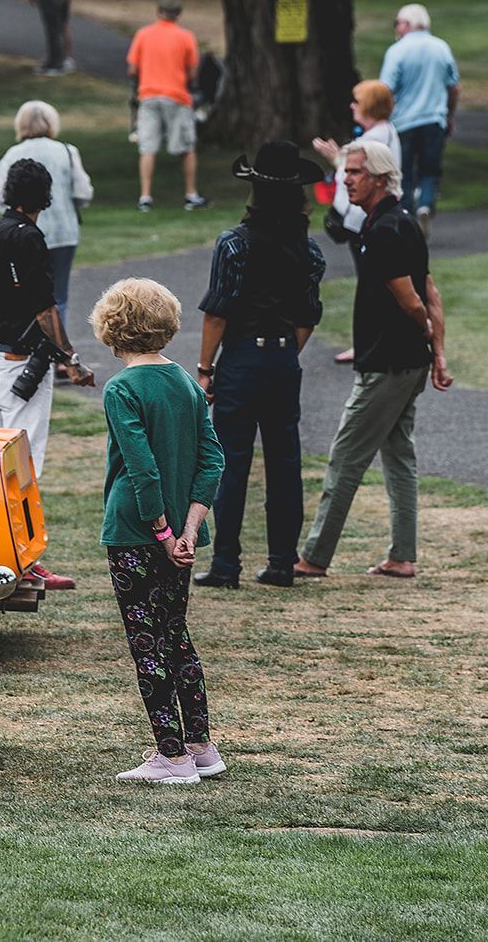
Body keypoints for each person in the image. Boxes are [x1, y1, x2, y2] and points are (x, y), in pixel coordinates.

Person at [294, 140, 453, 582]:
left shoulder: (384, 230)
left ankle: (314, 557)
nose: (346, 179)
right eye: (345, 172)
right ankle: (402, 556)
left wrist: (424, 329)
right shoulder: (400, 224)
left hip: (386, 364)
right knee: (400, 456)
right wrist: (436, 353)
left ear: (381, 179)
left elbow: (414, 298)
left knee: (345, 457)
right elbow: (431, 290)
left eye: (355, 173)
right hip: (408, 362)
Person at [90, 277, 225, 784]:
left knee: (147, 641)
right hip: (182, 534)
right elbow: (212, 460)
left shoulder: (122, 388)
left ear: (112, 326)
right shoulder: (188, 383)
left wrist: (164, 532)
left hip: (136, 531)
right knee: (177, 636)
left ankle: (171, 756)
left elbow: (141, 469)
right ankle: (201, 745)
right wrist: (189, 530)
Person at [191, 141, 328, 590]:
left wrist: (205, 367)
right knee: (284, 461)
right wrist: (284, 351)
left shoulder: (235, 245)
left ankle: (226, 564)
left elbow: (217, 312)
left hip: (242, 359)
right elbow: (308, 317)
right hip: (284, 358)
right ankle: (282, 562)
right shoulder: (309, 252)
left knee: (230, 460)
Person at [0, 157, 94, 592]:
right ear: (45, 195)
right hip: (23, 365)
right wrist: (71, 360)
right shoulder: (31, 239)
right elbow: (45, 309)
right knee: (23, 470)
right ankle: (23, 562)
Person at [312, 78, 401, 365]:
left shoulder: (371, 140)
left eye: (357, 102)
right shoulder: (384, 133)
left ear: (370, 107)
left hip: (364, 220)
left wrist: (336, 159)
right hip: (368, 219)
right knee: (373, 281)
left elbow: (358, 176)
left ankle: (366, 342)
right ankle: (372, 339)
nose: (352, 106)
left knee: (370, 283)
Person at [0, 100, 92, 325]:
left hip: (22, 234)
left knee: (27, 292)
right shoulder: (67, 151)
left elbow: (0, 196)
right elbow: (84, 192)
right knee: (58, 296)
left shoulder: (12, 155)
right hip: (64, 232)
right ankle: (58, 351)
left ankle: (32, 347)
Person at [381, 3, 459, 237]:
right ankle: (425, 203)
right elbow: (453, 87)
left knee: (404, 173)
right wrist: (450, 114)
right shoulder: (441, 48)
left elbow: (386, 90)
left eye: (398, 23)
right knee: (430, 170)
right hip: (433, 119)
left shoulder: (397, 51)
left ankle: (408, 221)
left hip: (403, 122)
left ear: (406, 24)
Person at [127, 0, 209, 213]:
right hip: (176, 95)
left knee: (147, 147)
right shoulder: (186, 37)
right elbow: (192, 72)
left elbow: (132, 69)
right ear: (178, 14)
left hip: (148, 95)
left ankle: (145, 196)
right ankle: (191, 194)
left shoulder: (143, 35)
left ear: (158, 12)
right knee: (186, 147)